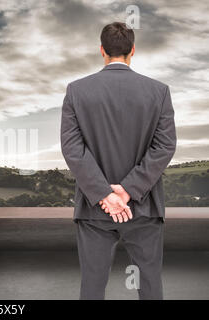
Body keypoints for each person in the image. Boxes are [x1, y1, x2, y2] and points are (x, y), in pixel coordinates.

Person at [60, 22, 177, 300]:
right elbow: (164, 146)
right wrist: (128, 190)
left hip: (93, 210)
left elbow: (72, 149)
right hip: (144, 207)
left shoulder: (77, 91)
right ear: (132, 51)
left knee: (92, 285)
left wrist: (104, 194)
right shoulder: (158, 91)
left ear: (101, 50)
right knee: (149, 284)